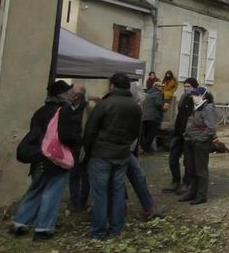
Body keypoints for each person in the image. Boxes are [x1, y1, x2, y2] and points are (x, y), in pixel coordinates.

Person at [10, 80, 81, 241]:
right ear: (62, 95)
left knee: (35, 189)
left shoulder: (40, 111)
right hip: (56, 158)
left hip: (38, 156)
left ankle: (20, 223)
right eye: (68, 92)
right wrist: (76, 142)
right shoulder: (64, 111)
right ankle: (43, 228)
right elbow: (67, 136)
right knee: (52, 192)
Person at [83, 72, 142, 239]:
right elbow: (135, 132)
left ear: (112, 85)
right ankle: (116, 229)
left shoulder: (105, 104)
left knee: (100, 193)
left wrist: (88, 151)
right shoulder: (134, 106)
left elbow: (91, 129)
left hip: (101, 153)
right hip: (122, 152)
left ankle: (98, 230)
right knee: (117, 191)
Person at [179, 87, 216, 205]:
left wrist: (200, 139)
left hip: (200, 143)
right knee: (190, 168)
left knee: (200, 170)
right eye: (194, 95)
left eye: (196, 95)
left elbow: (211, 128)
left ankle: (201, 195)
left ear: (203, 96)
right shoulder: (195, 108)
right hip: (189, 141)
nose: (194, 97)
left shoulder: (207, 109)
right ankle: (192, 191)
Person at [163, 77, 197, 193]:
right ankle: (175, 181)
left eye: (189, 86)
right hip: (178, 133)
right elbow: (179, 115)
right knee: (173, 158)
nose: (186, 88)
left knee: (187, 161)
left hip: (188, 135)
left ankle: (186, 183)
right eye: (185, 86)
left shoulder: (196, 100)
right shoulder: (183, 98)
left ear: (194, 87)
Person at [67, 83, 90, 211]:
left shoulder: (87, 109)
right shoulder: (68, 108)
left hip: (83, 146)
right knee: (73, 173)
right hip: (71, 145)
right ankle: (75, 200)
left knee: (84, 174)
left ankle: (82, 200)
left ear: (77, 96)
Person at [141, 82, 165, 152]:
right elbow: (158, 103)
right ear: (156, 86)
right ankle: (145, 149)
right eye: (161, 86)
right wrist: (163, 106)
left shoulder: (147, 94)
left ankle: (144, 148)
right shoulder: (158, 94)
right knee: (151, 135)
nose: (162, 88)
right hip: (153, 117)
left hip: (145, 117)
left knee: (145, 134)